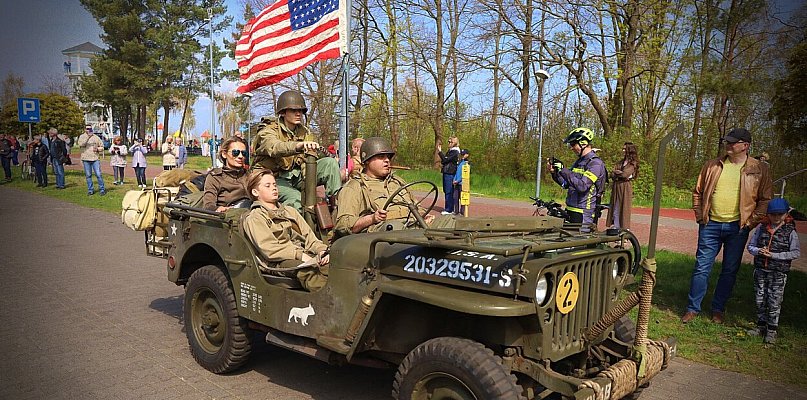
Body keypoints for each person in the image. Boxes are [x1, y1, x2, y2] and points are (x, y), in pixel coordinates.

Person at [682, 127, 773, 324]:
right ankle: (692, 308)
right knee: (701, 267)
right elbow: (697, 192)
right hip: (710, 224)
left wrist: (750, 223)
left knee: (730, 270)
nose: (728, 145)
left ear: (745, 146)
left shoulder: (759, 169)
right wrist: (700, 216)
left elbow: (765, 200)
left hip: (738, 227)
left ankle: (718, 309)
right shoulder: (712, 165)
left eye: (733, 142)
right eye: (728, 141)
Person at [251, 90, 341, 211]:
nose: (298, 114)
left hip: (297, 176)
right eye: (293, 110)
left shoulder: (304, 132)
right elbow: (273, 147)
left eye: (301, 111)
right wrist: (298, 146)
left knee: (330, 164)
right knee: (296, 199)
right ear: (283, 112)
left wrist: (308, 185)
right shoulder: (268, 130)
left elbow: (308, 160)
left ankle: (338, 209)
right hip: (272, 179)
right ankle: (292, 227)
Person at [243, 169, 329, 291]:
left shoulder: (290, 211)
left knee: (333, 267)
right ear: (255, 192)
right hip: (277, 262)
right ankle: (328, 302)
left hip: (301, 254)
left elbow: (309, 238)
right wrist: (300, 255)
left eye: (274, 185)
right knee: (308, 271)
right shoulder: (255, 217)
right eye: (267, 186)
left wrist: (322, 251)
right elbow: (270, 249)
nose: (274, 188)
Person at [335, 137, 435, 237]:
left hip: (413, 226)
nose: (387, 160)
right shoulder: (354, 187)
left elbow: (417, 206)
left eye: (388, 157)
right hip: (379, 236)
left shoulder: (397, 182)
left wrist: (425, 215)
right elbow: (343, 225)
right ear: (367, 160)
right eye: (381, 156)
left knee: (449, 221)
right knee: (395, 228)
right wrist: (372, 218)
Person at [745, 198, 800, 344]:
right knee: (760, 299)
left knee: (774, 301)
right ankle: (760, 326)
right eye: (773, 214)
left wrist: (775, 255)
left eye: (780, 214)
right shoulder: (761, 228)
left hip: (778, 273)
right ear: (768, 214)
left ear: (786, 214)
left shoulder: (790, 232)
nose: (776, 217)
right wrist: (758, 251)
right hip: (761, 270)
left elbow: (795, 253)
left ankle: (772, 330)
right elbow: (750, 246)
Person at [548, 127, 607, 232]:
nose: (571, 148)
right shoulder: (579, 161)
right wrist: (555, 173)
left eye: (573, 144)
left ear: (583, 143)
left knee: (582, 245)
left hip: (584, 213)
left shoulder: (595, 163)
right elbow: (566, 184)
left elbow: (582, 186)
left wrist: (564, 170)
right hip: (571, 209)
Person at [202, 137, 250, 212]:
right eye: (235, 153)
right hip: (228, 218)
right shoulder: (216, 177)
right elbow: (208, 205)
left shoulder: (250, 175)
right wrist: (218, 209)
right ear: (224, 154)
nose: (240, 156)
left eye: (244, 153)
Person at [606, 142, 639, 230]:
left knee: (624, 209)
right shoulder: (621, 162)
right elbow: (612, 174)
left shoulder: (632, 163)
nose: (623, 150)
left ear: (630, 150)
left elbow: (625, 174)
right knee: (616, 209)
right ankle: (616, 228)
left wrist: (617, 173)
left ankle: (624, 231)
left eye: (625, 149)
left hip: (625, 187)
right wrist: (617, 173)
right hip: (617, 187)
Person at [77, 126, 106, 195]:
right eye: (87, 129)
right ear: (85, 129)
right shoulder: (82, 137)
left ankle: (102, 189)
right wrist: (88, 137)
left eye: (90, 128)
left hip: (95, 158)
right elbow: (81, 144)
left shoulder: (96, 137)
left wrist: (98, 149)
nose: (89, 130)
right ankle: (90, 190)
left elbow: (102, 146)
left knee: (98, 174)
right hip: (86, 158)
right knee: (88, 175)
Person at [437, 136, 460, 215]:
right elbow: (444, 161)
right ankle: (449, 208)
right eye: (448, 141)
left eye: (450, 142)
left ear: (455, 143)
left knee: (449, 191)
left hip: (450, 172)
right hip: (447, 172)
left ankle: (449, 209)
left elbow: (445, 160)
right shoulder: (450, 151)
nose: (449, 143)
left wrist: (440, 152)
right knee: (446, 190)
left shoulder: (455, 152)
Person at [453, 149, 470, 215]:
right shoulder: (460, 162)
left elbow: (464, 174)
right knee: (455, 197)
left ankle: (462, 212)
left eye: (464, 154)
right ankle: (456, 211)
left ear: (467, 155)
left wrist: (458, 180)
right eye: (462, 154)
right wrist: (454, 179)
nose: (462, 156)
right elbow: (457, 172)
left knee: (462, 197)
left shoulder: (466, 163)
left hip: (462, 183)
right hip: (456, 182)